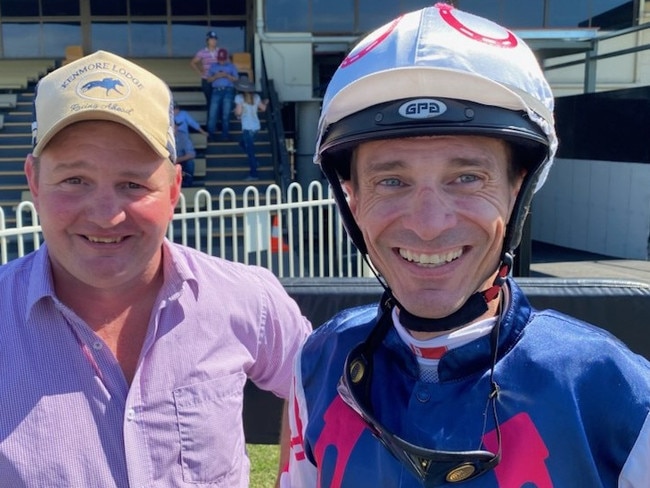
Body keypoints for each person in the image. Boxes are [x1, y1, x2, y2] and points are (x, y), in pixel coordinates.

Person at [284, 4, 650, 487]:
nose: (430, 225)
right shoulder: (321, 359)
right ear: (350, 197)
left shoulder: (613, 388)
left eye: (466, 177)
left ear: (517, 189)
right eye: (391, 181)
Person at [0, 50, 311, 487]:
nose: (106, 214)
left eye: (133, 184)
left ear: (173, 190)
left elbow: (323, 391)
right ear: (33, 181)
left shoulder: (247, 299)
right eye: (74, 180)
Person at [234, 79, 269, 181]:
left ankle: (254, 174)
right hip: (256, 127)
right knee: (243, 144)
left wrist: (236, 112)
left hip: (247, 127)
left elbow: (238, 112)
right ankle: (255, 162)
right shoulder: (256, 97)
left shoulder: (239, 98)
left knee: (250, 152)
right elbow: (263, 108)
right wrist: (265, 102)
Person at [206, 48, 239, 142]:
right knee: (212, 113)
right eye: (220, 59)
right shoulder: (213, 66)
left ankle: (225, 135)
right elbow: (208, 80)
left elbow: (236, 79)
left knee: (226, 114)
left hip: (228, 91)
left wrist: (226, 75)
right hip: (216, 91)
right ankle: (210, 134)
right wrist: (216, 76)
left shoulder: (231, 66)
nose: (221, 61)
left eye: (223, 59)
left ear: (226, 58)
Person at [174, 101, 207, 186]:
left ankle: (188, 183)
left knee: (190, 162)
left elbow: (192, 154)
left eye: (176, 108)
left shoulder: (183, 136)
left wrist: (204, 133)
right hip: (170, 161)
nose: (175, 110)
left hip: (180, 157)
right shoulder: (165, 137)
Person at [190, 30, 220, 121]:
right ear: (207, 41)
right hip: (207, 80)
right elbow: (193, 63)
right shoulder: (202, 52)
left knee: (218, 102)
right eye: (211, 39)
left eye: (215, 39)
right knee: (210, 102)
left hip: (218, 80)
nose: (213, 41)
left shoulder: (220, 51)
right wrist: (200, 72)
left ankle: (216, 122)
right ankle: (210, 123)